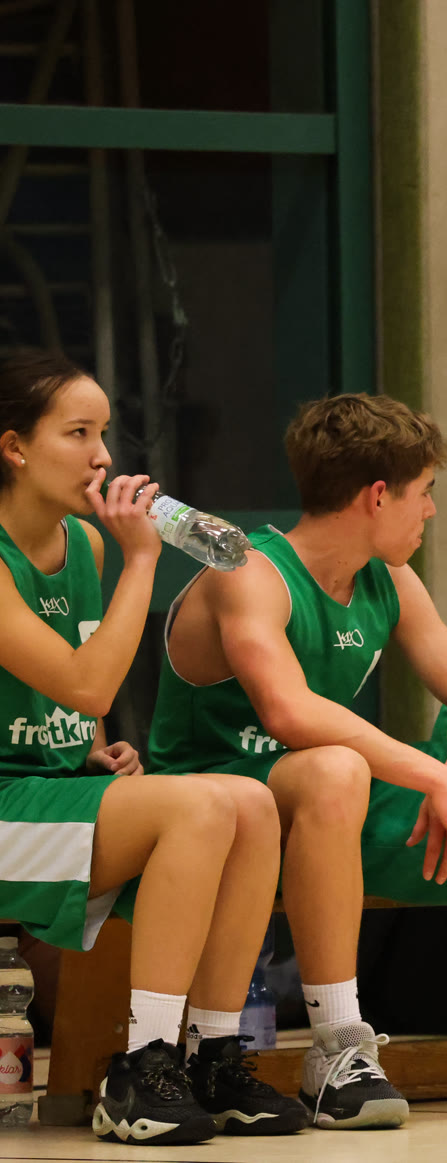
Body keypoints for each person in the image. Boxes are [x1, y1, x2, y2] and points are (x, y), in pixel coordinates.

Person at [148, 396, 447, 1125]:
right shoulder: (249, 571)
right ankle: (337, 1048)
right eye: (425, 492)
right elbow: (290, 712)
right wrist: (435, 775)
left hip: (333, 812)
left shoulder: (390, 578)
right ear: (378, 496)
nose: (431, 511)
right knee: (335, 767)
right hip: (219, 812)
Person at [0, 351, 303, 1145]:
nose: (103, 456)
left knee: (251, 802)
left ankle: (212, 1056)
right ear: (15, 446)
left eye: (104, 433)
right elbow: (88, 682)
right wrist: (144, 559)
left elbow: (81, 695)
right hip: (4, 805)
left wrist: (93, 751)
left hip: (48, 793)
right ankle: (141, 1066)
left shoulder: (83, 544)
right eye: (78, 433)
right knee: (198, 804)